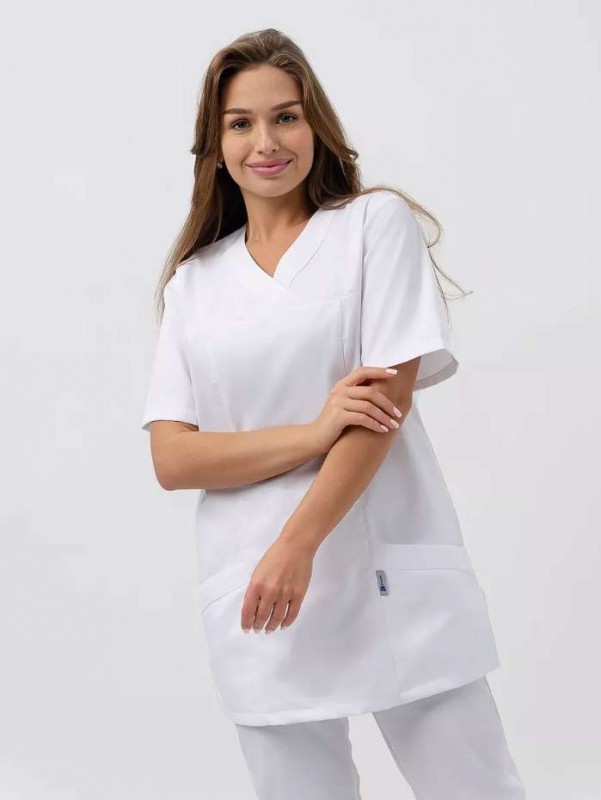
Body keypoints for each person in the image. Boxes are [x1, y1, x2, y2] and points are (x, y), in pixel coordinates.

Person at [141, 27, 527, 800]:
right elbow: (173, 459)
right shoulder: (194, 283)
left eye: (285, 116)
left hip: (385, 576)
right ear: (214, 147)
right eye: (241, 123)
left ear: (315, 125)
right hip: (255, 591)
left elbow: (382, 407)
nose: (266, 142)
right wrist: (315, 431)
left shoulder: (371, 227)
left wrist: (297, 543)